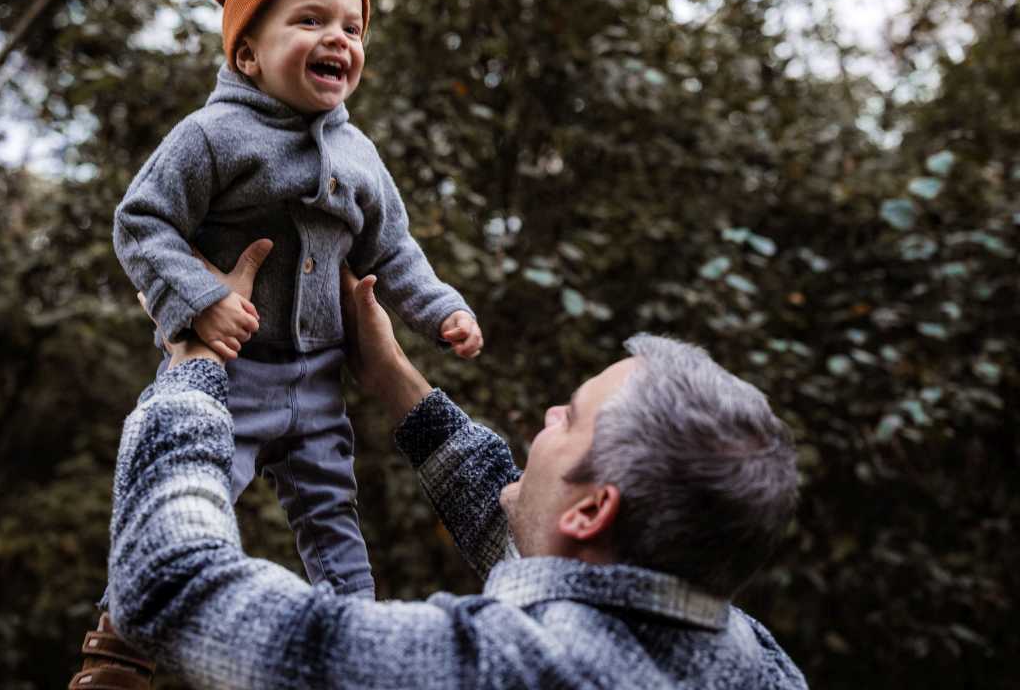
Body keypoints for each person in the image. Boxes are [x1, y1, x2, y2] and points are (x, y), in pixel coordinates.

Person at [93, 242, 807, 689]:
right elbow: (531, 536)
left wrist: (191, 371)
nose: (547, 420)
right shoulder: (749, 657)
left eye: (571, 417)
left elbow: (168, 585)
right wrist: (393, 376)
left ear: (593, 509)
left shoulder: (495, 671)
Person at [110, 0, 482, 600]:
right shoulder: (211, 135)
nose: (337, 37)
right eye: (310, 21)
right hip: (230, 371)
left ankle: (354, 631)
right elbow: (141, 221)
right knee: (187, 493)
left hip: (319, 381)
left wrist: (439, 309)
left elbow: (392, 250)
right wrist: (199, 299)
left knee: (332, 513)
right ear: (248, 54)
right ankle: (121, 637)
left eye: (351, 27)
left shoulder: (358, 153)